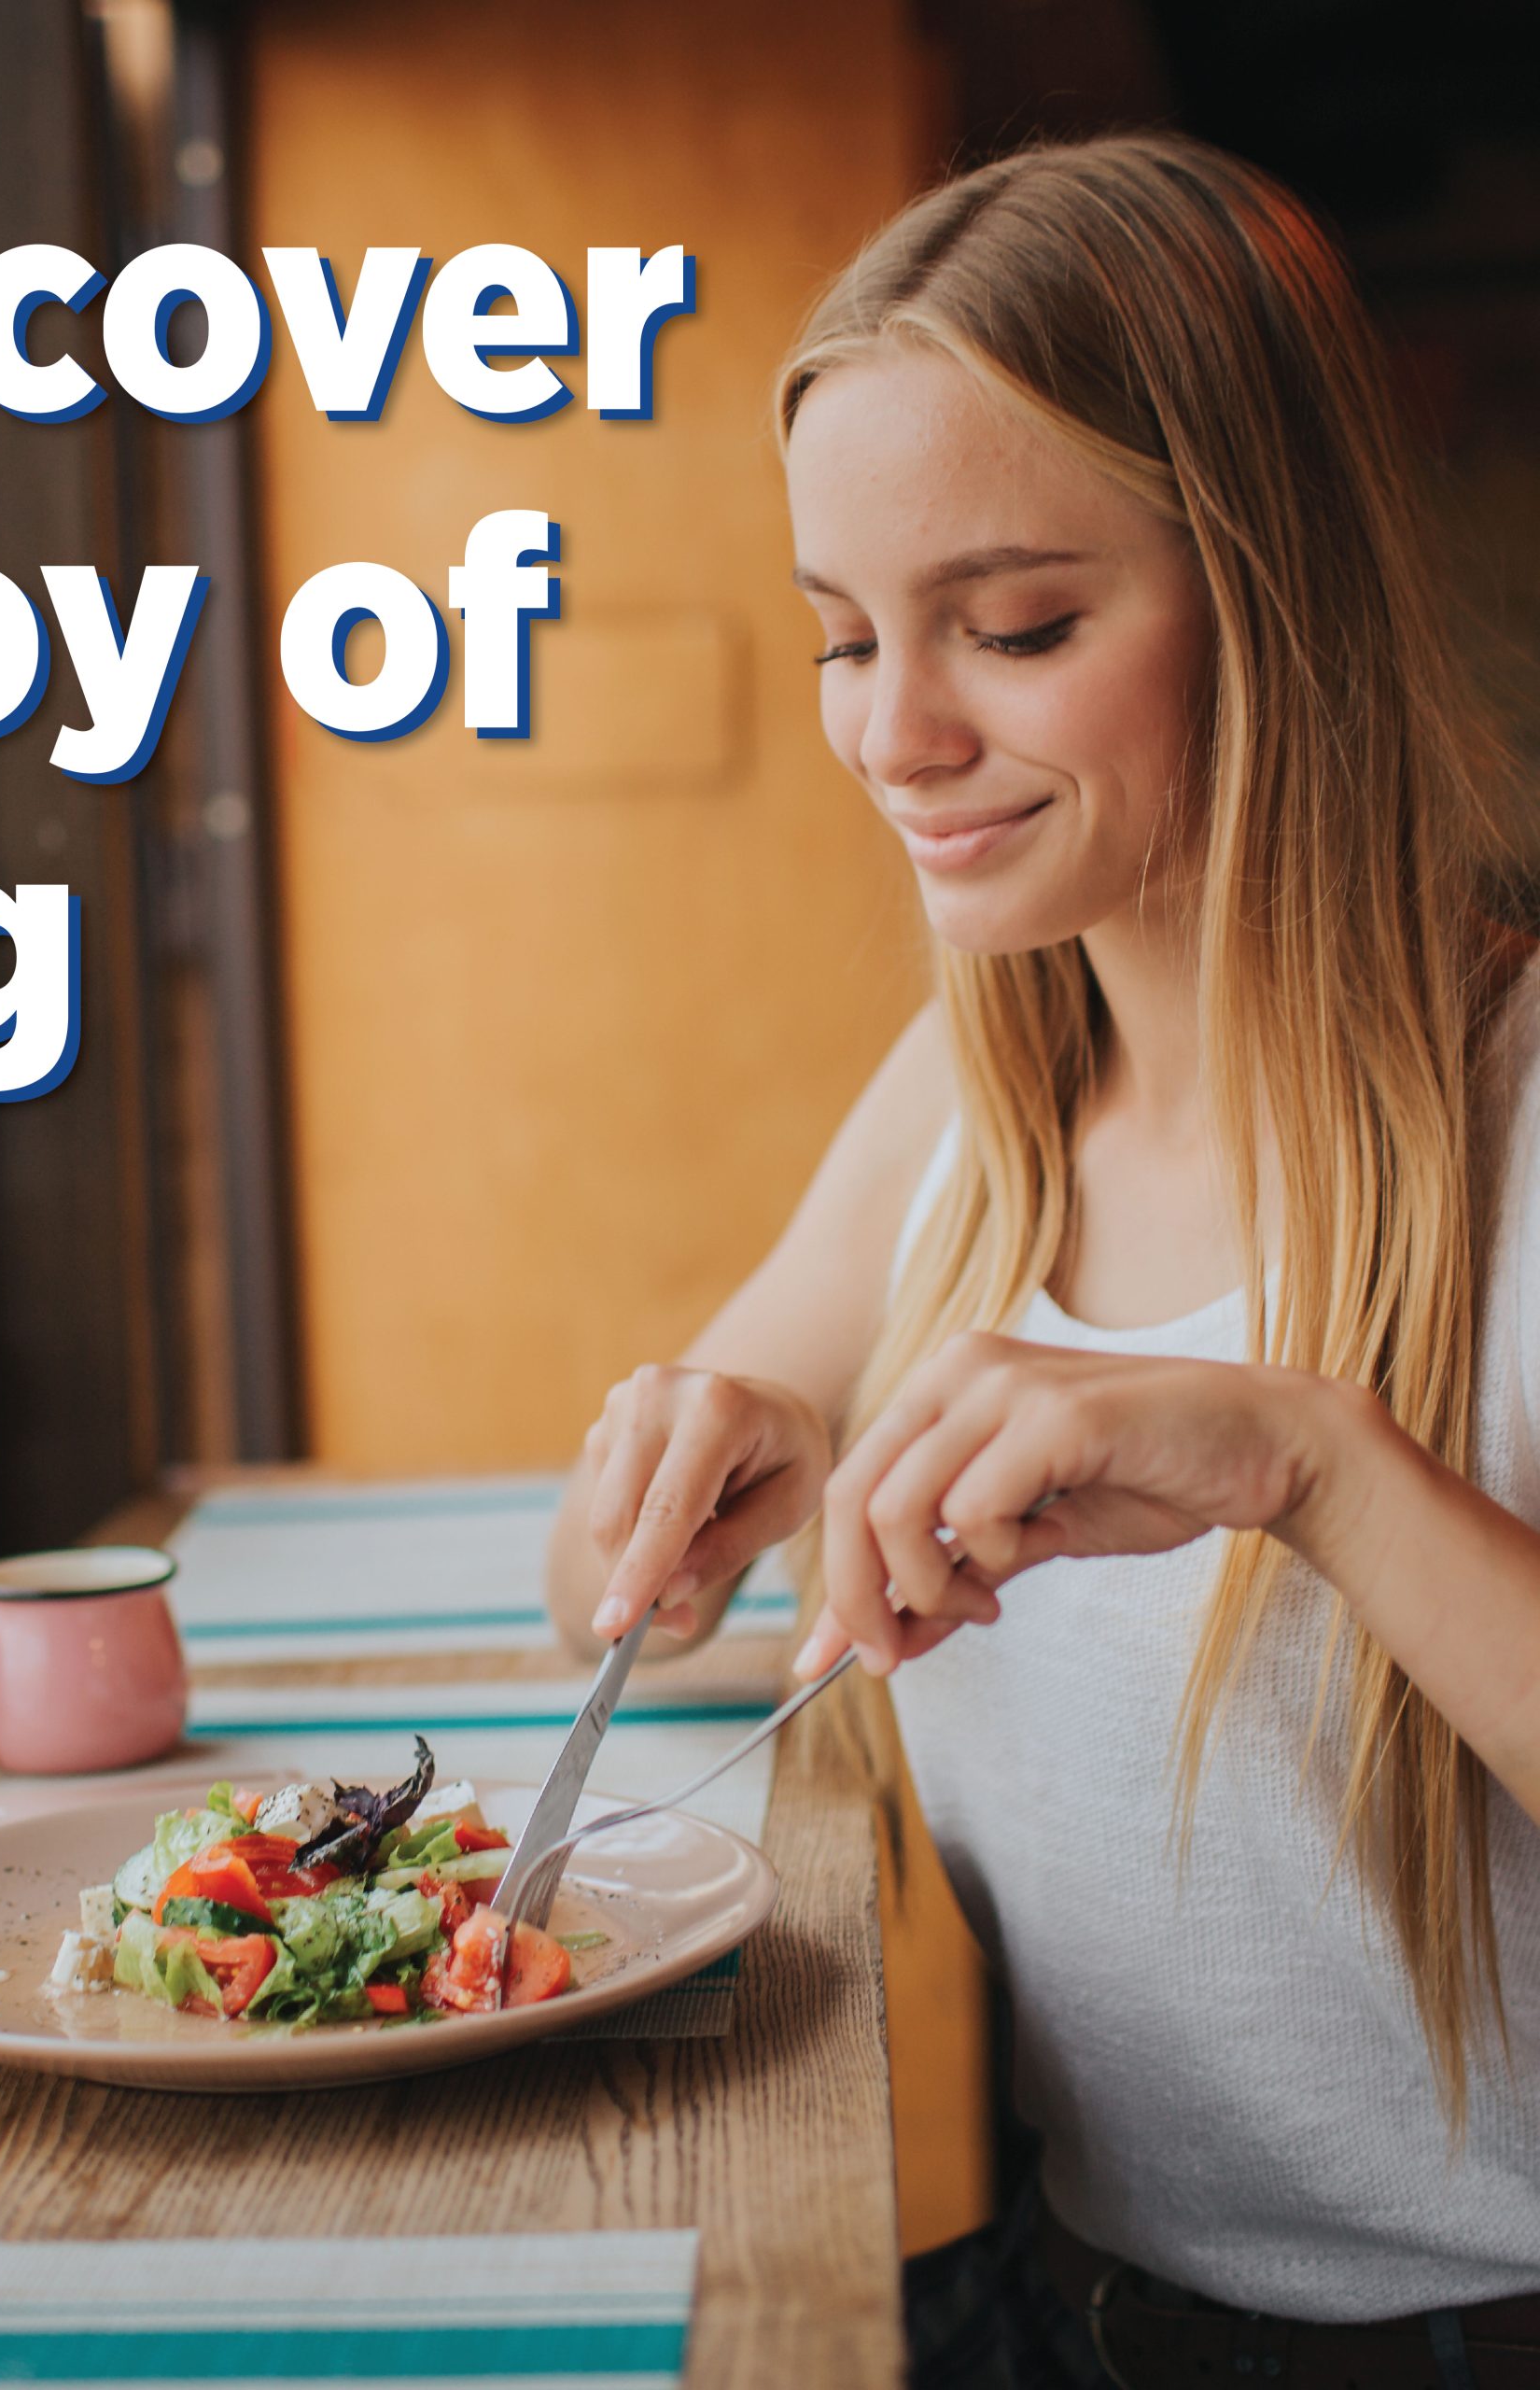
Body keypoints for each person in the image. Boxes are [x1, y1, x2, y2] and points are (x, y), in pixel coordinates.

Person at [544, 131, 1540, 2390]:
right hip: (1072, 2304)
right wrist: (695, 1463)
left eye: (1011, 629)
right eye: (839, 635)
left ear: (1267, 590)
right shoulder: (969, 1097)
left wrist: (1316, 1461)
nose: (892, 735)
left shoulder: (1518, 1115)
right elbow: (602, 1615)